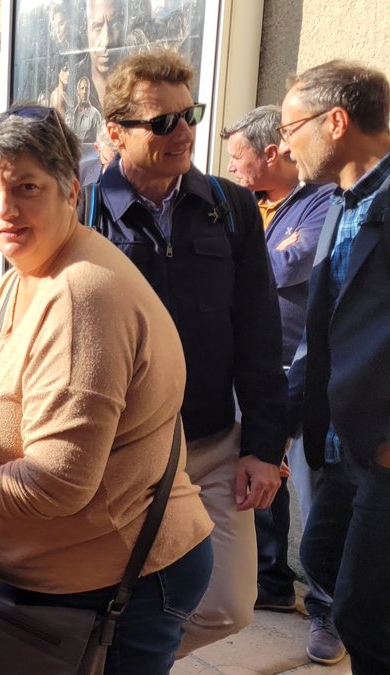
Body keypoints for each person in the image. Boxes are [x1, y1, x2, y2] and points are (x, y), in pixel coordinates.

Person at [0, 104, 214, 674]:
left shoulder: (82, 297)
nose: (5, 210)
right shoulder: (25, 274)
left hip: (118, 584)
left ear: (70, 191)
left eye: (26, 186)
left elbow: (56, 484)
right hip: (56, 579)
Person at [88, 49, 286, 656]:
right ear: (116, 132)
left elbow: (259, 331)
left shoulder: (229, 207)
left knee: (227, 604)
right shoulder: (83, 212)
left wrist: (262, 447)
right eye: (162, 121)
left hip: (212, 442)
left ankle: (116, 660)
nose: (184, 132)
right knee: (115, 591)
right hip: (124, 452)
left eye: (189, 114)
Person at [220, 104, 341, 663]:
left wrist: (242, 264)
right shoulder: (252, 206)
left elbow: (288, 267)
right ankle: (270, 581)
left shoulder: (322, 202)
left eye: (238, 155)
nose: (231, 165)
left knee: (313, 488)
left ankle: (328, 610)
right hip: (260, 369)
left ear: (271, 153)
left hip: (309, 369)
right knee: (261, 469)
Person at [281, 60, 390, 672]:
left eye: (292, 127)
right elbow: (321, 337)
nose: (283, 143)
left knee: (366, 616)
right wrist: (278, 423)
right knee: (322, 564)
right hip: (342, 445)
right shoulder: (340, 203)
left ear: (337, 122)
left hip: (383, 452)